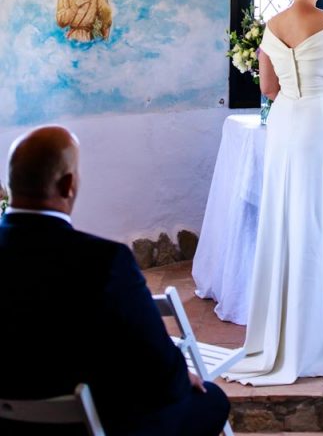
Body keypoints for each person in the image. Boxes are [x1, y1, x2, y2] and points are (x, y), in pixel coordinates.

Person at [0, 125, 230, 436]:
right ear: (68, 185)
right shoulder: (104, 262)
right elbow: (158, 365)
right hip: (96, 423)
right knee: (211, 400)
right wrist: (179, 376)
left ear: (11, 184)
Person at [226, 0, 323, 386]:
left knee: (285, 220)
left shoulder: (271, 27)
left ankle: (280, 331)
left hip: (286, 123)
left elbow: (267, 88)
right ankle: (321, 335)